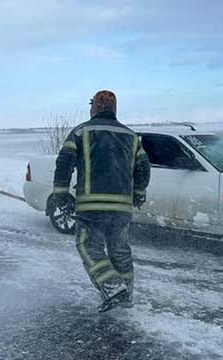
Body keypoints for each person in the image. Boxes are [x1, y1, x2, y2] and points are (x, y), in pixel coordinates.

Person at [51, 90, 150, 312]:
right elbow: (143, 168)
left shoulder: (80, 132)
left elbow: (64, 164)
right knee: (120, 251)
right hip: (122, 208)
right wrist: (138, 194)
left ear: (95, 108)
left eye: (91, 106)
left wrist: (60, 195)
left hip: (91, 206)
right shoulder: (132, 136)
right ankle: (127, 298)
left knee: (88, 246)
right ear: (114, 109)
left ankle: (114, 289)